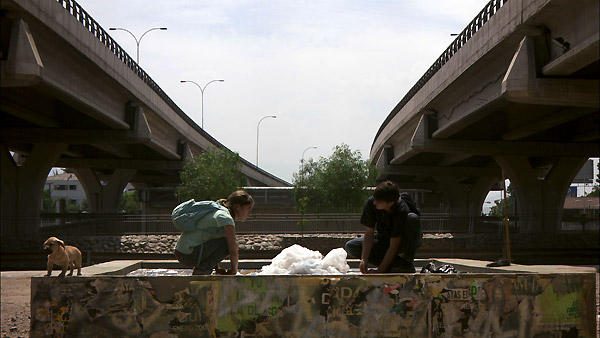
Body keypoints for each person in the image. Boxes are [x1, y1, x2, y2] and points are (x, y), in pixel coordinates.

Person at [344, 181, 422, 273]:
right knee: (351, 246)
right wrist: (364, 260)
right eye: (375, 199)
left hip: (402, 241)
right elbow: (369, 234)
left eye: (379, 201)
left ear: (390, 203)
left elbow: (394, 244)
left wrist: (380, 271)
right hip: (384, 239)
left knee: (413, 218)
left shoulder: (401, 210)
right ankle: (397, 264)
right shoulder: (372, 203)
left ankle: (406, 263)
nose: (375, 203)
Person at [173, 190, 254, 275]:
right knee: (229, 243)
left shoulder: (219, 210)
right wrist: (234, 271)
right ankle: (202, 271)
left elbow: (212, 240)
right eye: (248, 209)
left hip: (182, 253)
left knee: (224, 241)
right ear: (237, 207)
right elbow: (233, 250)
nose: (249, 213)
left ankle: (204, 269)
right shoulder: (225, 218)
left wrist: (217, 268)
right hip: (187, 255)